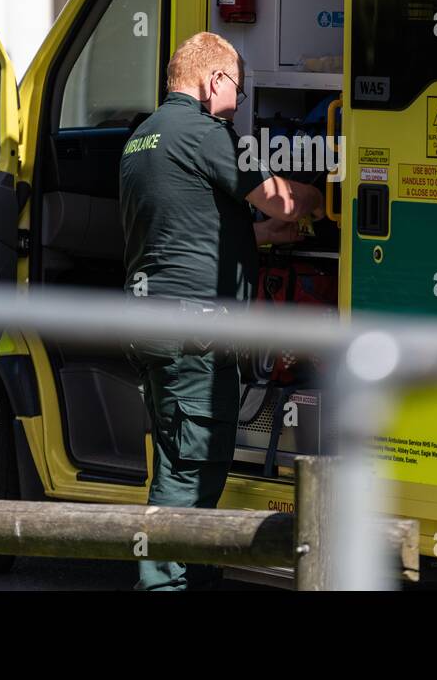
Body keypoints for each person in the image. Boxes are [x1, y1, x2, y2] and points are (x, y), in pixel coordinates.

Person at [119, 30, 324, 591]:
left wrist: (257, 236)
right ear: (214, 81)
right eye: (238, 87)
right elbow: (281, 198)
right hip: (195, 333)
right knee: (190, 471)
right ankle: (163, 585)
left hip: (151, 326)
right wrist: (329, 196)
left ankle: (176, 575)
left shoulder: (144, 138)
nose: (239, 102)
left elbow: (188, 231)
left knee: (173, 460)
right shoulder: (205, 134)